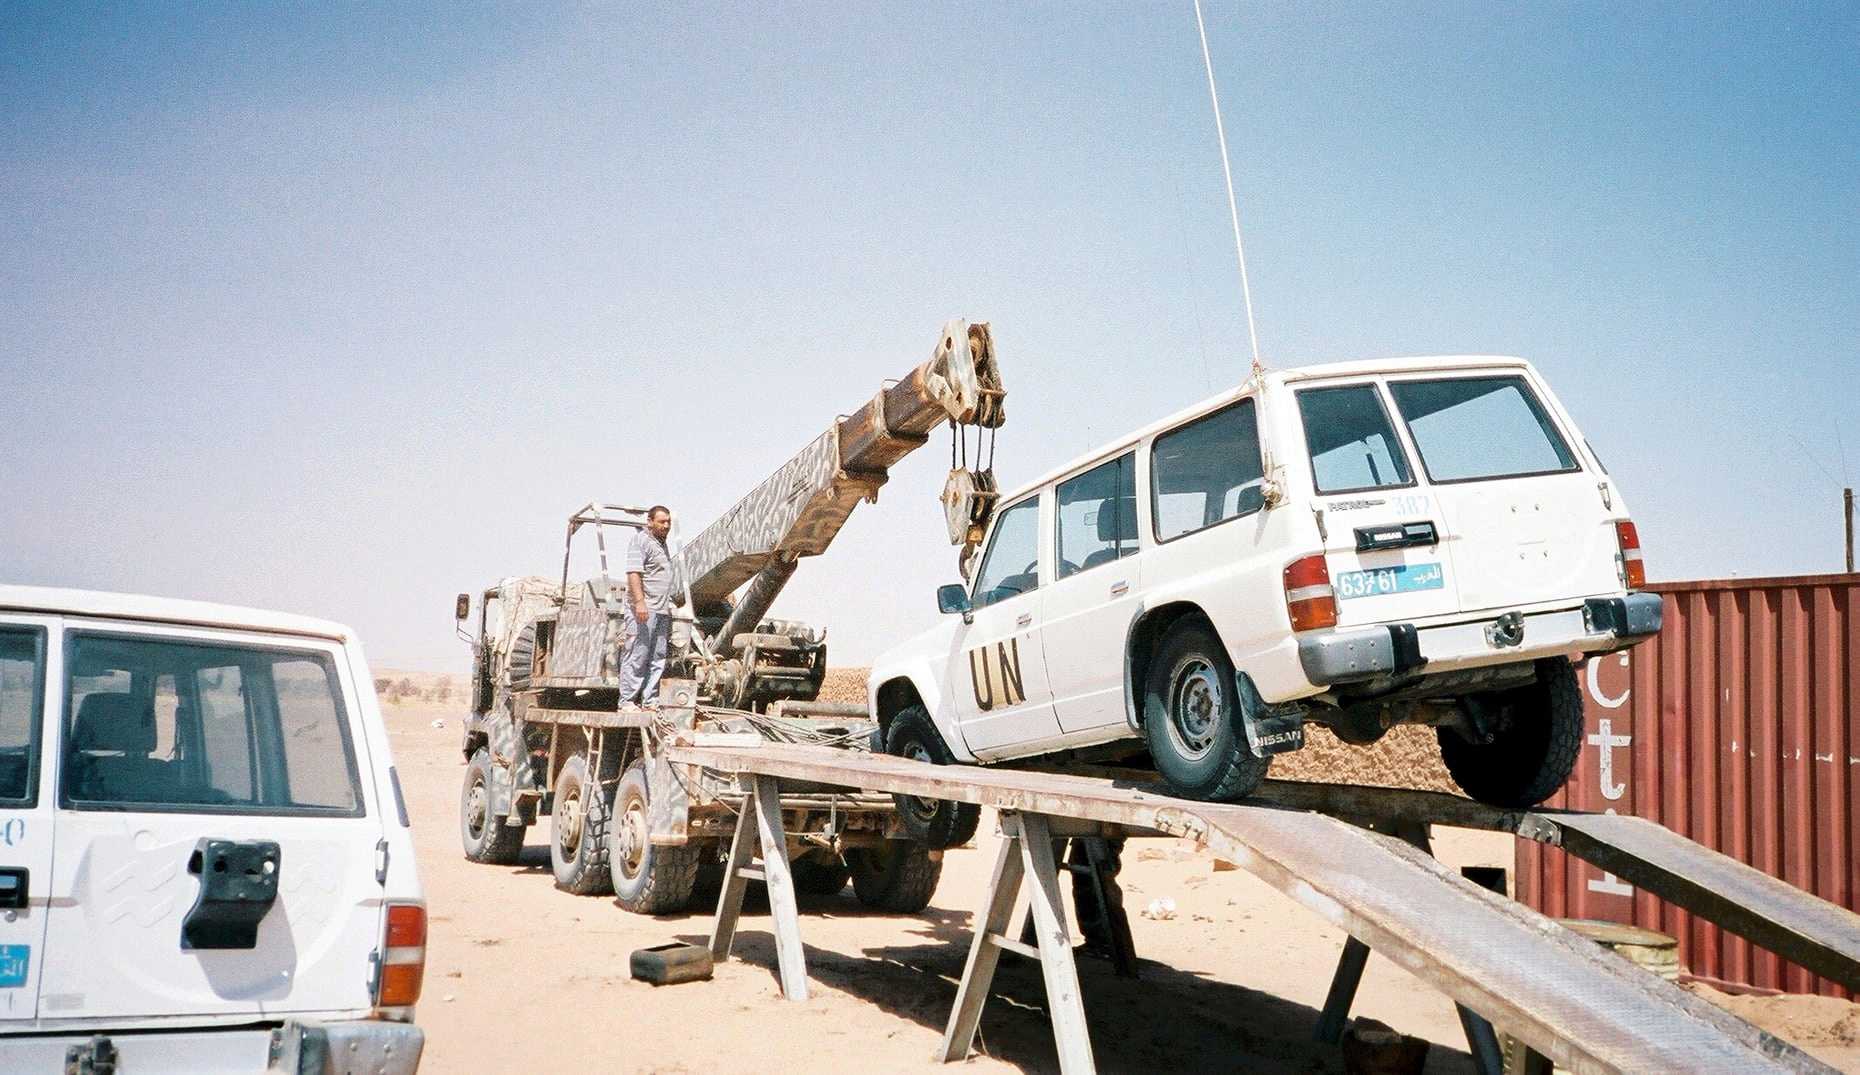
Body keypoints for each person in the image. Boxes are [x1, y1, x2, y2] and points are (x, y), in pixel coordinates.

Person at [619, 505, 677, 708]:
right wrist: (640, 602)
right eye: (662, 521)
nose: (666, 525)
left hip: (661, 609)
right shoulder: (641, 540)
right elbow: (634, 572)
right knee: (638, 654)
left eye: (668, 521)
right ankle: (627, 701)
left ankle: (650, 700)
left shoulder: (662, 544)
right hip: (645, 609)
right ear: (650, 522)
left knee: (657, 657)